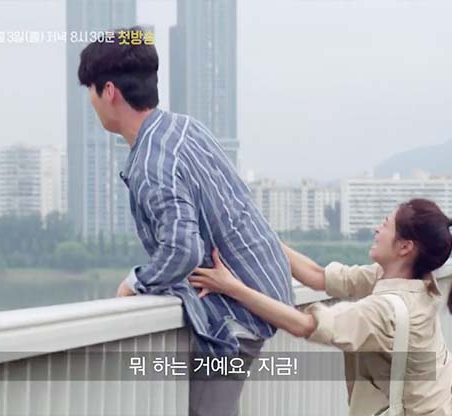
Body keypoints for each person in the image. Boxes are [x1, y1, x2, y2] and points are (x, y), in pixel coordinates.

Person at [77, 26, 294, 416]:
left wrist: (134, 283)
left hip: (236, 319)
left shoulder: (152, 163)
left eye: (90, 91)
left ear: (109, 91)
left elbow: (183, 248)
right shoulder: (185, 128)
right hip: (263, 294)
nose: (90, 102)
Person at [191, 198, 452, 415]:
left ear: (405, 247)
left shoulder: (386, 310)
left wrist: (232, 287)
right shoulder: (399, 279)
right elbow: (316, 276)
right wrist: (257, 235)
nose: (377, 229)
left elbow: (305, 325)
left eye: (385, 225)